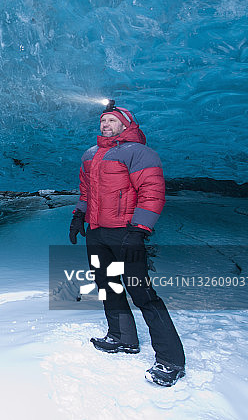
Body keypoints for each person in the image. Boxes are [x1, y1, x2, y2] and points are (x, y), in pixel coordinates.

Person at [68, 100, 185, 387]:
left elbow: (152, 192)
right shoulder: (90, 155)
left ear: (125, 124)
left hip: (125, 232)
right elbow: (87, 192)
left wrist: (139, 230)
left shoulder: (140, 153)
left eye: (111, 120)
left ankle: (171, 360)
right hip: (97, 233)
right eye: (102, 121)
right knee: (108, 284)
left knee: (141, 292)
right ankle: (122, 337)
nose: (105, 125)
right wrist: (78, 216)